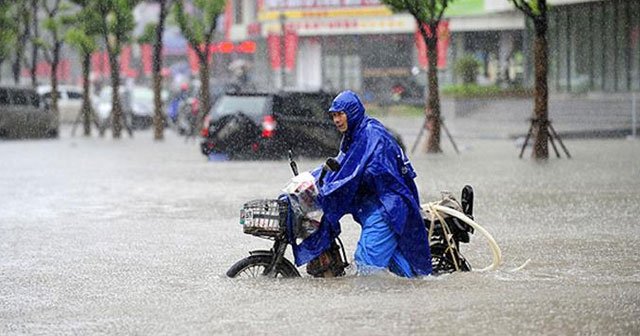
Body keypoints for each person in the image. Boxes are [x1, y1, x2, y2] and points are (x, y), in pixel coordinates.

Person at [316, 90, 432, 277]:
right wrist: (312, 180)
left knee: (365, 265)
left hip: (387, 208)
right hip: (377, 207)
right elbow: (342, 165)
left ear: (352, 112)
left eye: (340, 114)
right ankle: (420, 294)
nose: (336, 120)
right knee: (405, 273)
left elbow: (361, 173)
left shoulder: (372, 135)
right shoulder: (354, 136)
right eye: (333, 115)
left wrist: (335, 188)